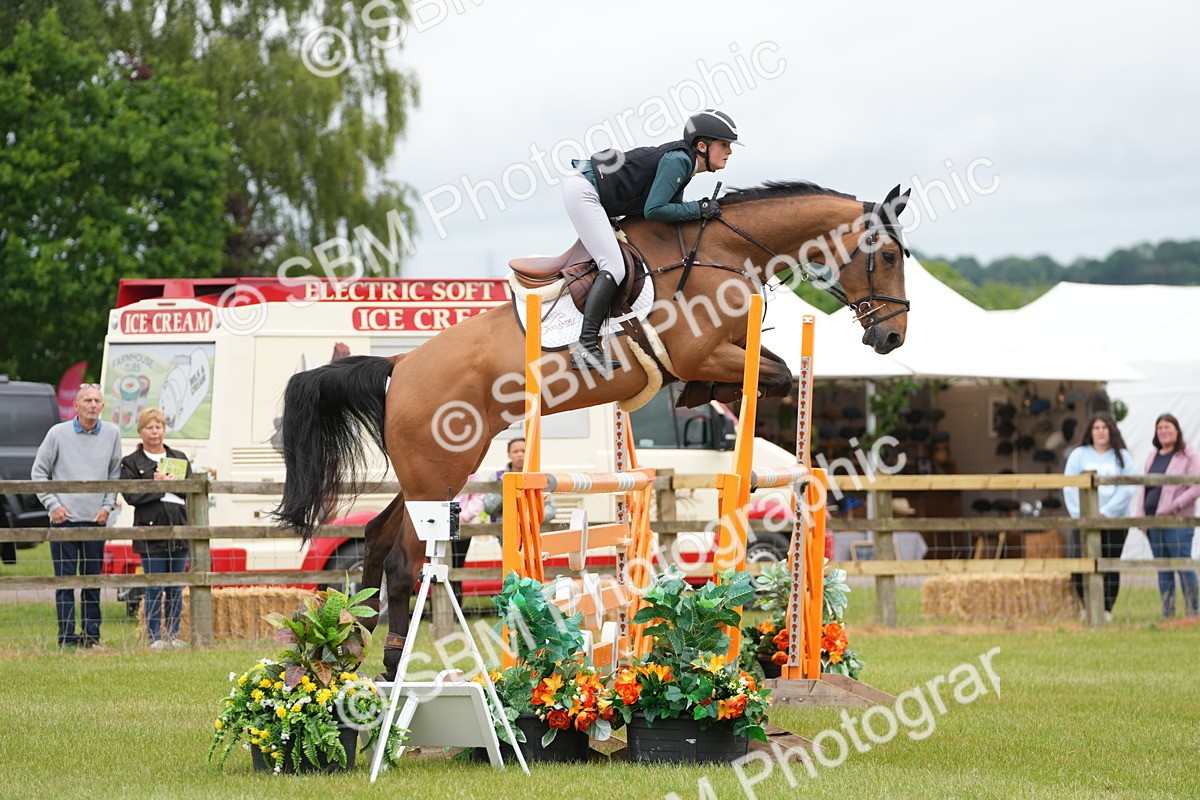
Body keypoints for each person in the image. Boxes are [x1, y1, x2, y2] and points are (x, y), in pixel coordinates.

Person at [563, 108, 739, 371]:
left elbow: (670, 217)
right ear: (702, 146)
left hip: (595, 193)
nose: (729, 151)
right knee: (614, 265)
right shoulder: (680, 161)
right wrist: (701, 209)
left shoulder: (684, 164)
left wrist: (699, 212)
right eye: (724, 144)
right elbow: (655, 211)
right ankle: (586, 346)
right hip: (586, 192)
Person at [32, 383, 122, 648]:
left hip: (96, 519)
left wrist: (107, 507)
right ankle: (67, 638)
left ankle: (92, 637)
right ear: (76, 406)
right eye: (87, 400)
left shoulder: (112, 433)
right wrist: (52, 505)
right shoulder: (57, 434)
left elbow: (114, 473)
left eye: (97, 401)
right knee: (66, 582)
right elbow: (39, 473)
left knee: (92, 581)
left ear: (102, 406)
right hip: (63, 520)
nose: (93, 405)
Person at [120, 407, 193, 648]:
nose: (155, 432)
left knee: (175, 587)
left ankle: (173, 635)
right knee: (154, 586)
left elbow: (191, 492)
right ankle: (154, 637)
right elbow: (132, 496)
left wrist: (175, 485)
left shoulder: (179, 457)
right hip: (150, 533)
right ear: (140, 432)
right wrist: (157, 485)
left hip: (179, 531)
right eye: (149, 427)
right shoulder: (131, 463)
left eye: (158, 426)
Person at [1063, 413, 1136, 620]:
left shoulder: (1122, 456)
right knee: (1078, 562)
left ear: (1111, 430)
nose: (1101, 431)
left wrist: (1107, 512)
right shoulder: (1079, 455)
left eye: (1104, 427)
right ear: (1090, 432)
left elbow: (1127, 489)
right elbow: (1069, 486)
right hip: (1084, 520)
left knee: (1109, 564)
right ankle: (1086, 607)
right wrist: (1082, 515)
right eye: (1096, 428)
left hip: (1114, 521)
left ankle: (1106, 609)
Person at [1138, 413, 1200, 618]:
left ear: (1177, 430)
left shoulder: (1189, 455)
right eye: (1160, 428)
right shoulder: (1153, 455)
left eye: (1168, 427)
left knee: (1182, 563)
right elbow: (1145, 487)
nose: (1163, 431)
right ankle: (1168, 612)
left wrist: (1174, 506)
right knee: (1163, 567)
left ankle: (1192, 611)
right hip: (1153, 520)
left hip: (1178, 521)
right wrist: (1141, 514)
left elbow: (1195, 487)